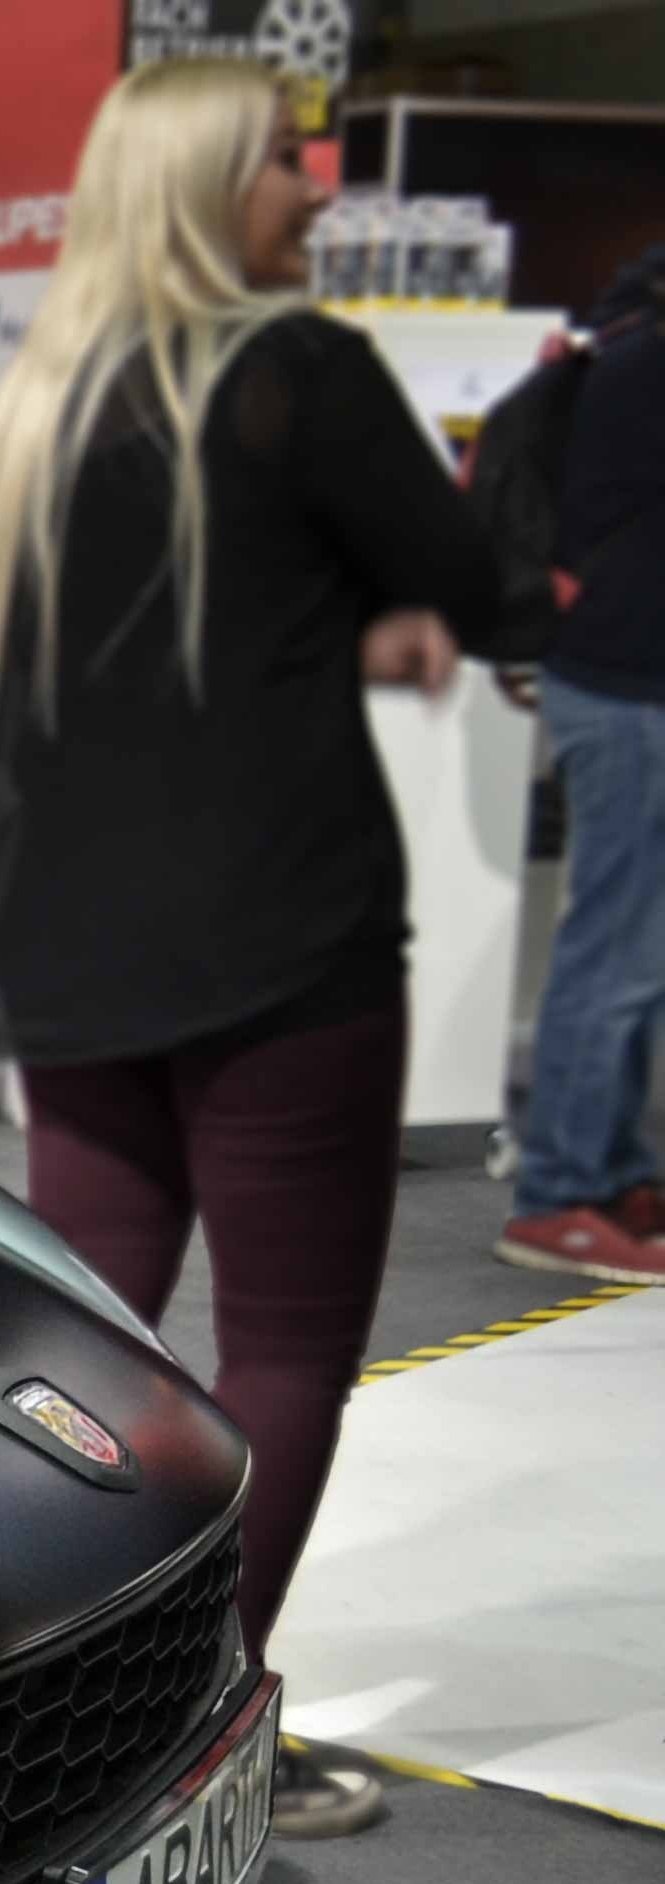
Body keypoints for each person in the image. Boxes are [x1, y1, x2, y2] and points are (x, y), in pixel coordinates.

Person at [0, 56, 500, 1840]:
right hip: (276, 938)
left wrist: (344, 617)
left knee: (77, 1361)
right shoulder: (295, 373)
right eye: (281, 158)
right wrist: (387, 610)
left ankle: (32, 1742)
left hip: (68, 946)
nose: (315, 189)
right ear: (203, 185)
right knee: (280, 1346)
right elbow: (478, 577)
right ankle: (190, 1740)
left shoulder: (47, 406)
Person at [500, 245, 665, 1283]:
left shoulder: (621, 346)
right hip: (627, 687)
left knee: (636, 954)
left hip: (621, 681)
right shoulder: (642, 365)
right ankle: (558, 1193)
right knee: (614, 955)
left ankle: (611, 1176)